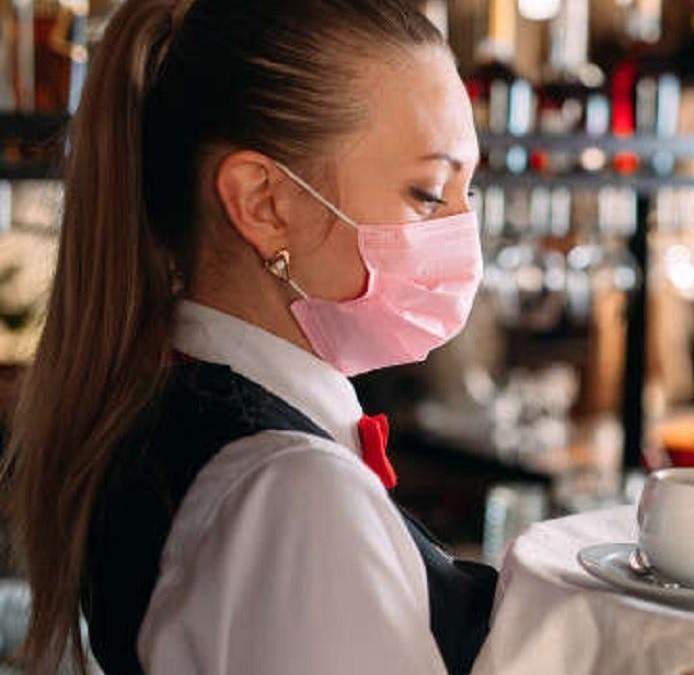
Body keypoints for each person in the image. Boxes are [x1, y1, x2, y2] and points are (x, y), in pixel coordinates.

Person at [3, 1, 496, 673]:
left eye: (470, 192)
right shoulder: (294, 492)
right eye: (430, 193)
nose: (464, 230)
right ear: (263, 202)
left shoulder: (158, 399)